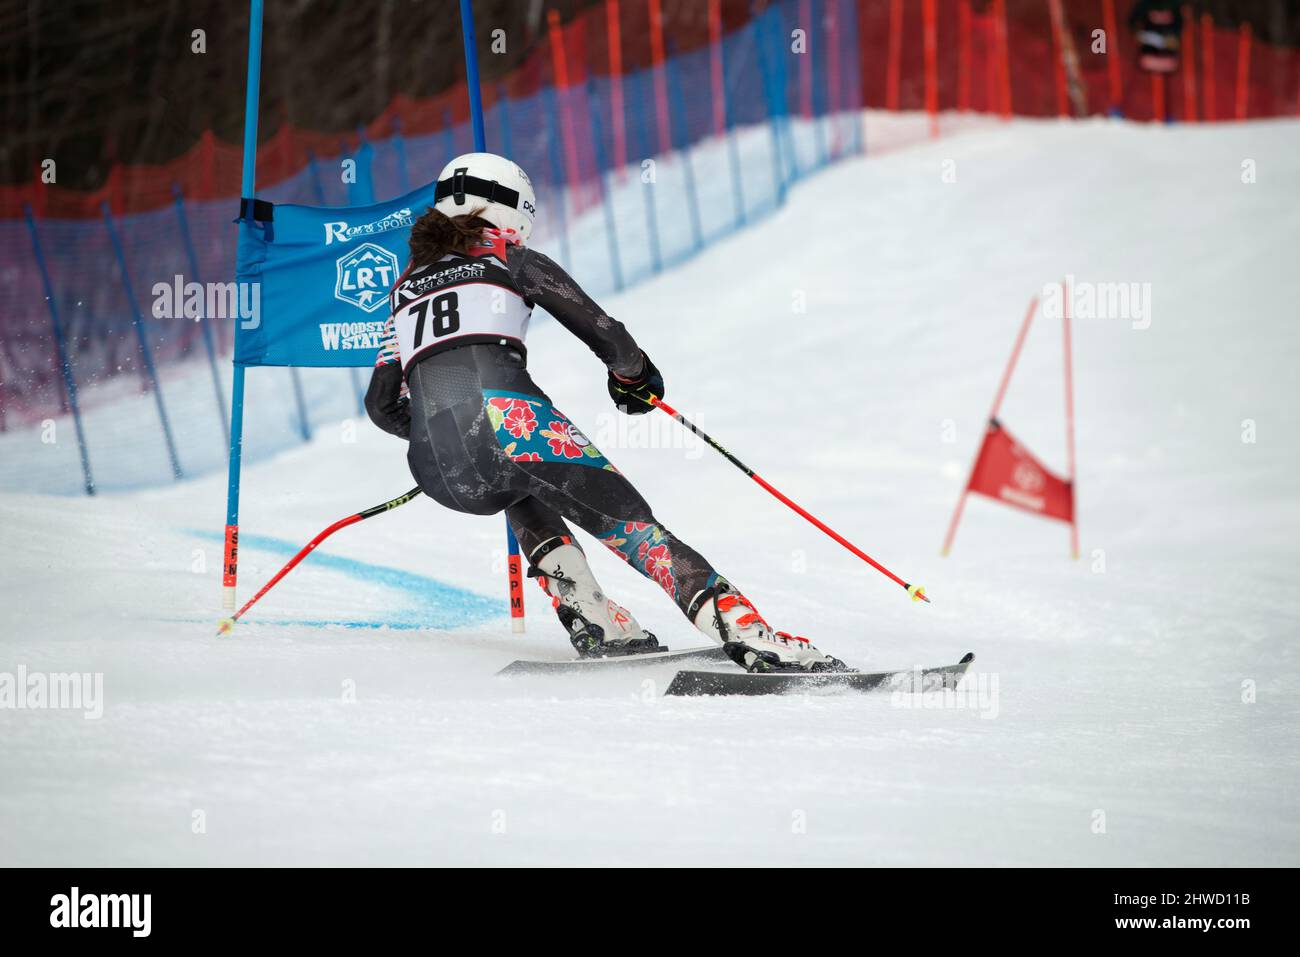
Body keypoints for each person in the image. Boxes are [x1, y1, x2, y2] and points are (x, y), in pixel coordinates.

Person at [366, 152, 842, 673]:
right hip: (514, 426)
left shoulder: (403, 291)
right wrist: (634, 379)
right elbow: (606, 333)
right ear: (510, 209)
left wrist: (445, 433)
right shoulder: (509, 259)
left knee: (521, 484)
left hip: (436, 466)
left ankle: (591, 617)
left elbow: (381, 404)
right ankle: (749, 634)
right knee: (635, 529)